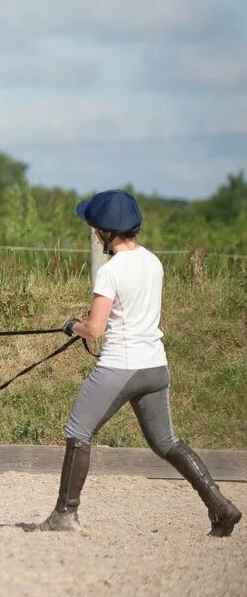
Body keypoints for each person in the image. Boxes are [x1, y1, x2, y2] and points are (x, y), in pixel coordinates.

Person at [40, 189, 240, 537]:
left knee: (77, 432)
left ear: (105, 232)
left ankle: (64, 515)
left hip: (121, 365)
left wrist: (73, 326)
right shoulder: (153, 262)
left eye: (94, 228)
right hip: (155, 367)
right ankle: (220, 507)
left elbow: (96, 329)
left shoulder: (110, 271)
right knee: (166, 442)